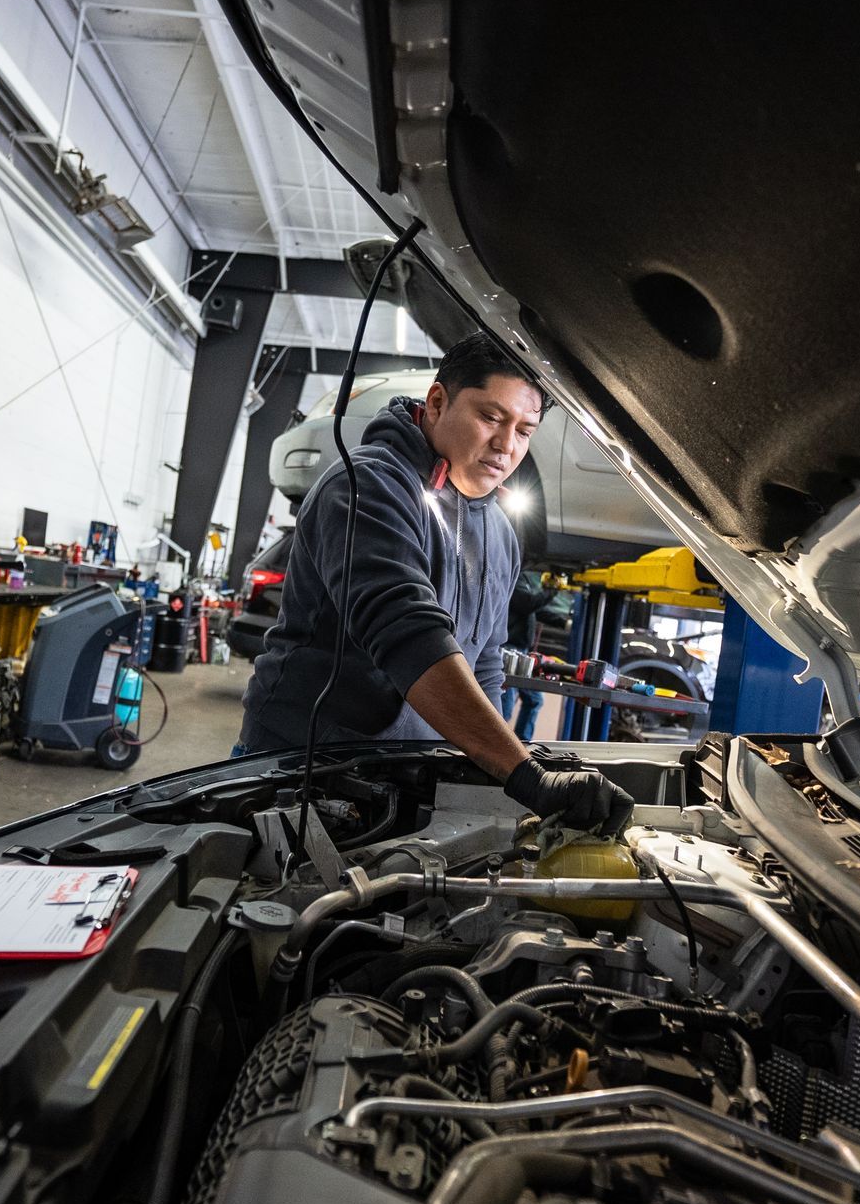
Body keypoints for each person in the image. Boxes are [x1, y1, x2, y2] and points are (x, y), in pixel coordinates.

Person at [237, 332, 633, 834]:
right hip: (302, 769)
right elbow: (409, 636)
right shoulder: (366, 485)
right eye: (491, 417)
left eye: (525, 430)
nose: (506, 446)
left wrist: (495, 763)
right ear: (438, 401)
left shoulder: (502, 533)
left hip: (403, 776)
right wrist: (524, 776)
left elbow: (485, 662)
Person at [501, 571, 554, 740]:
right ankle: (496, 745)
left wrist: (565, 622)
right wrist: (551, 591)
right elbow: (527, 604)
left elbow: (536, 610)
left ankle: (522, 744)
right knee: (505, 708)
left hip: (522, 651)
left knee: (534, 699)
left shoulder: (525, 580)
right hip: (509, 649)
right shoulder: (515, 576)